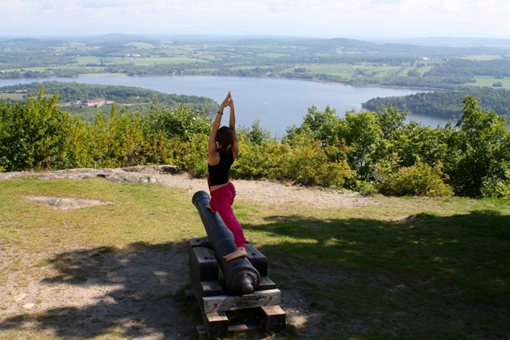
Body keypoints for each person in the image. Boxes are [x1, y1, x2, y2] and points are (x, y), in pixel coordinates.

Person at [207, 91, 247, 261]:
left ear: (217, 140)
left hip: (222, 195)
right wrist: (232, 107)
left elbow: (214, 129)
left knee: (231, 221)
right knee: (211, 184)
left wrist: (221, 108)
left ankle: (241, 247)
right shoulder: (232, 151)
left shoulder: (213, 155)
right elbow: (232, 128)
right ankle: (212, 205)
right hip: (228, 189)